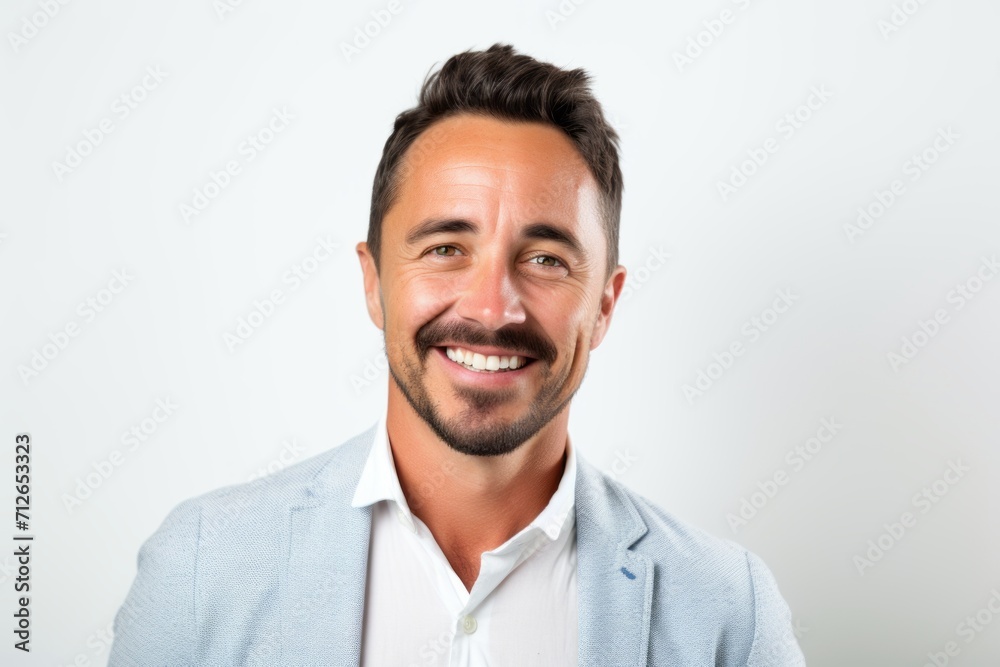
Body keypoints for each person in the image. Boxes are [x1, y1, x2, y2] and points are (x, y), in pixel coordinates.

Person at [109, 43, 806, 666]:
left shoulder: (728, 615)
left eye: (545, 258)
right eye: (446, 248)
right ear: (374, 282)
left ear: (604, 305)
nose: (490, 308)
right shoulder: (200, 570)